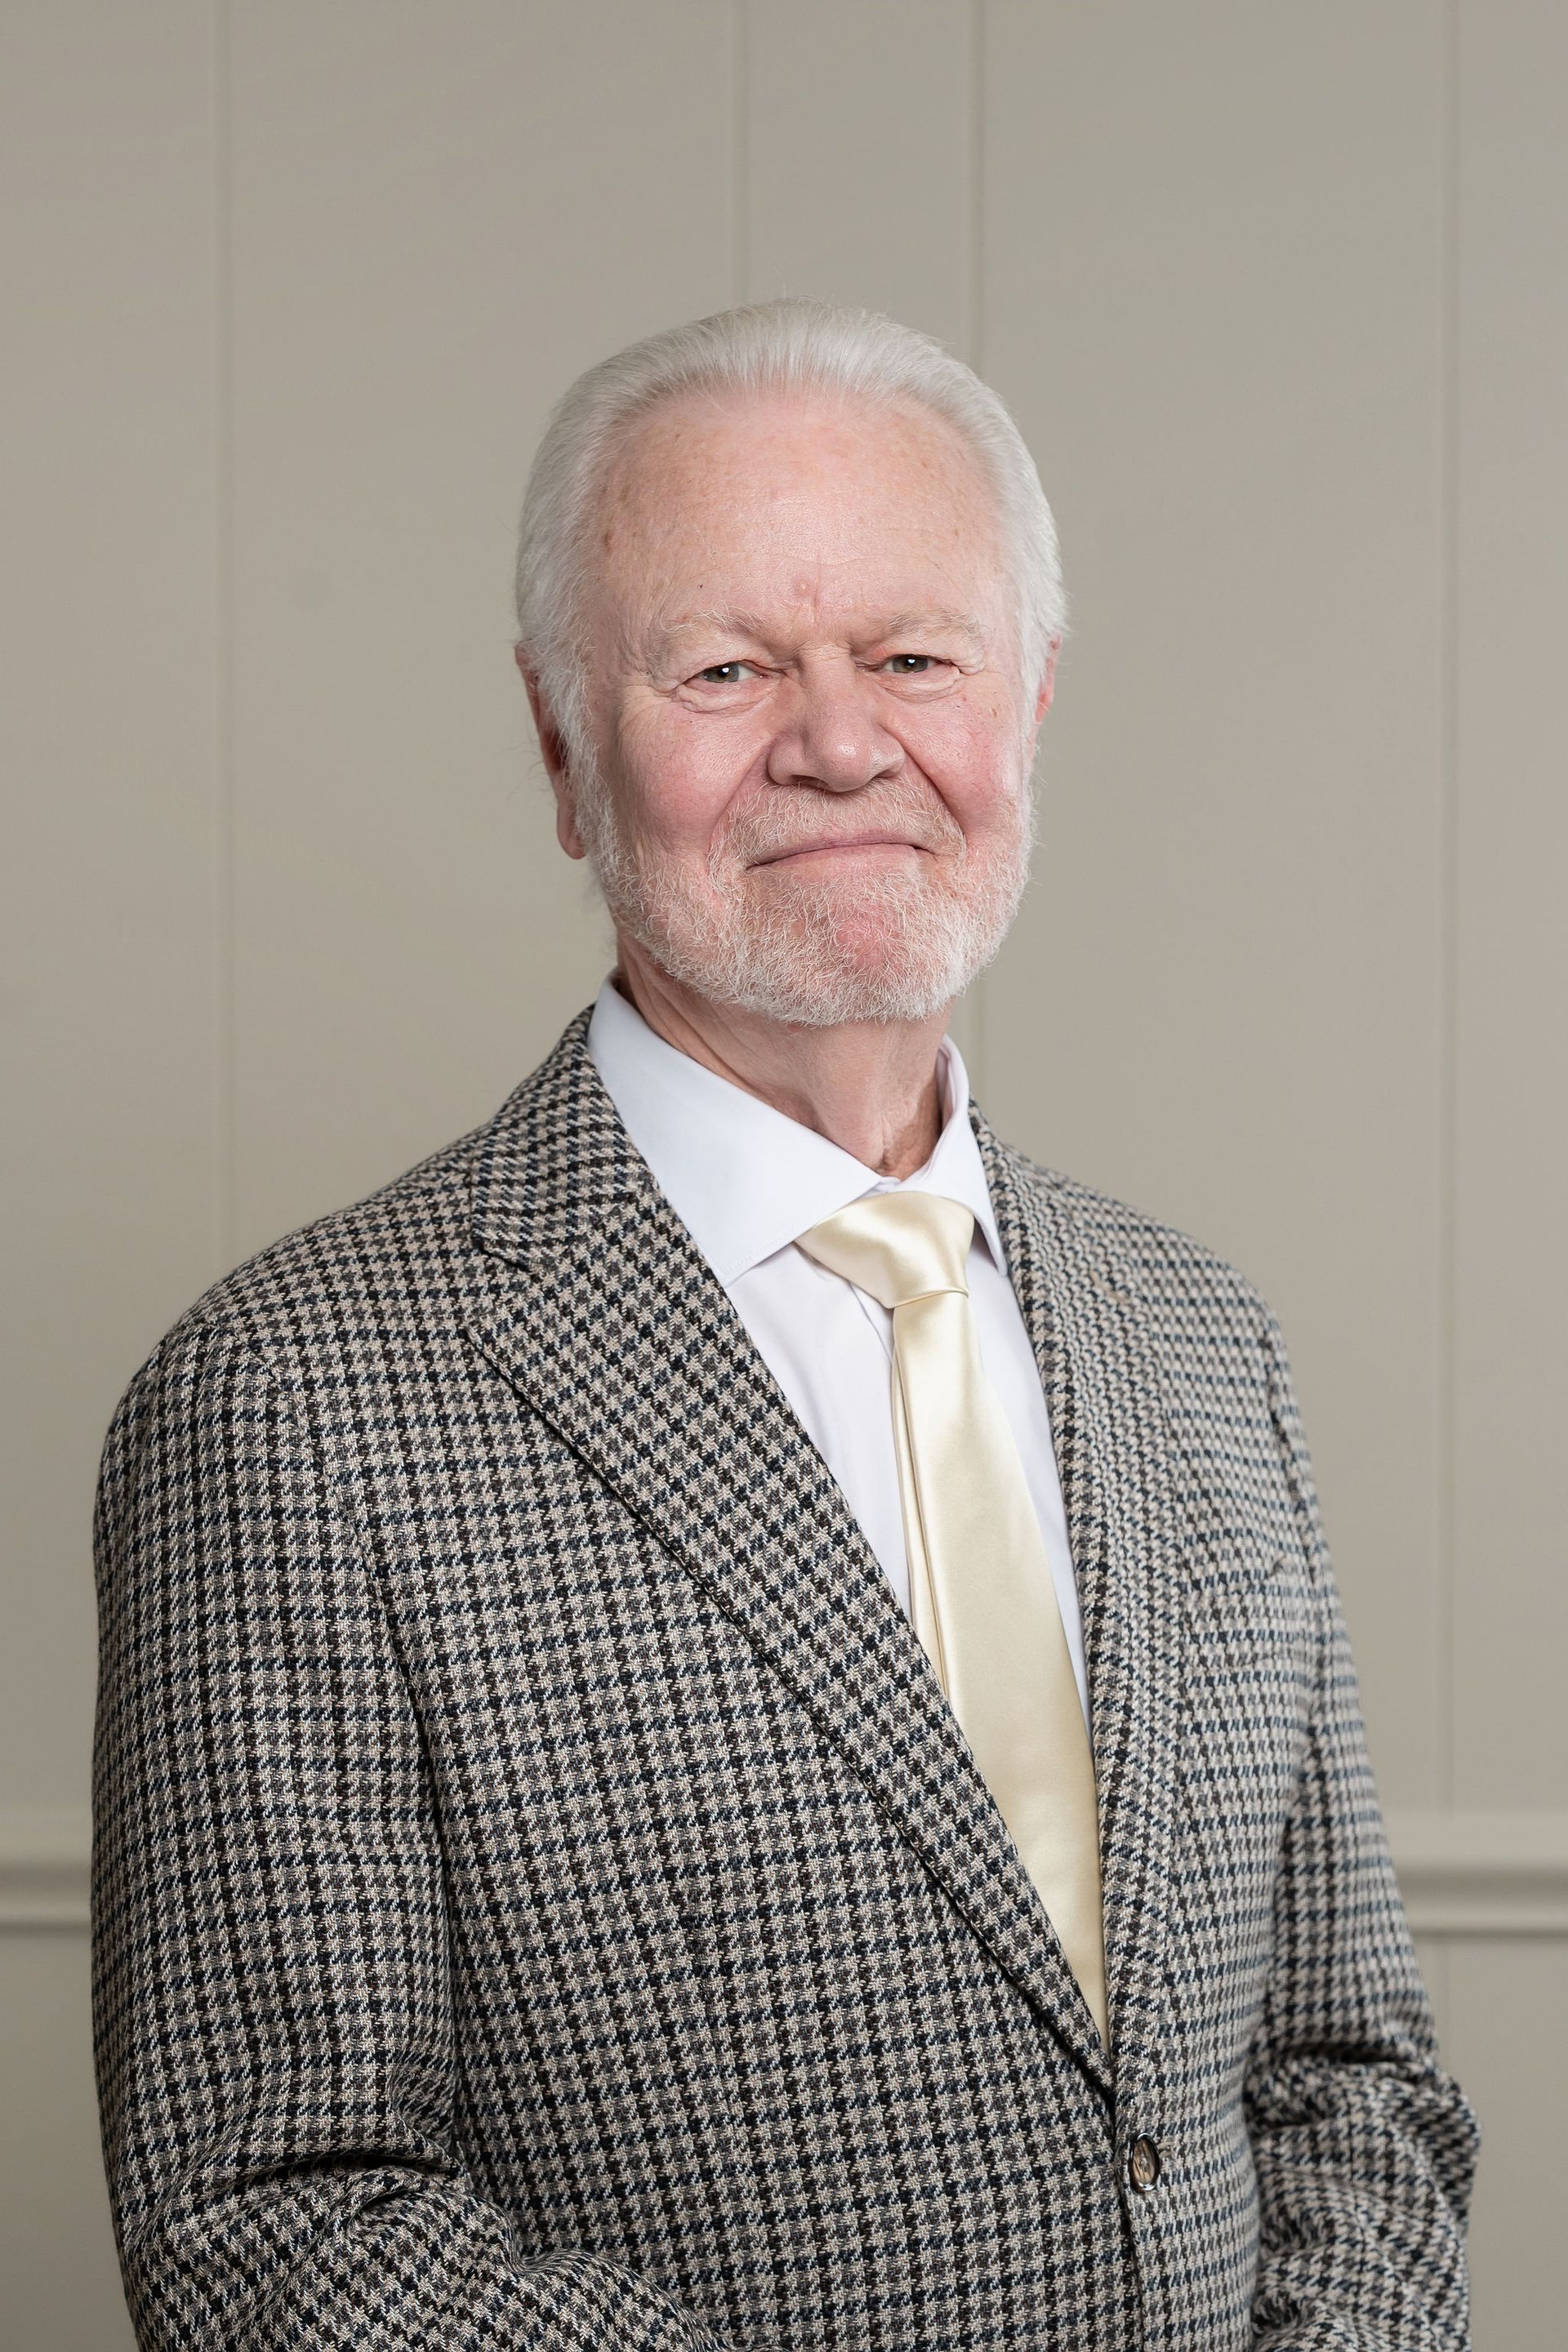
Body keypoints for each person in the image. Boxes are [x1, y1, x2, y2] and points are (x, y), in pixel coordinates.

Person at [91, 299, 1478, 2351]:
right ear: (567, 745)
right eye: (726, 667)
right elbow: (279, 2231)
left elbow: (1354, 2082)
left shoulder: (1202, 1343)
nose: (842, 740)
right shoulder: (291, 1399)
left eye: (916, 656)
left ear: (1032, 703)